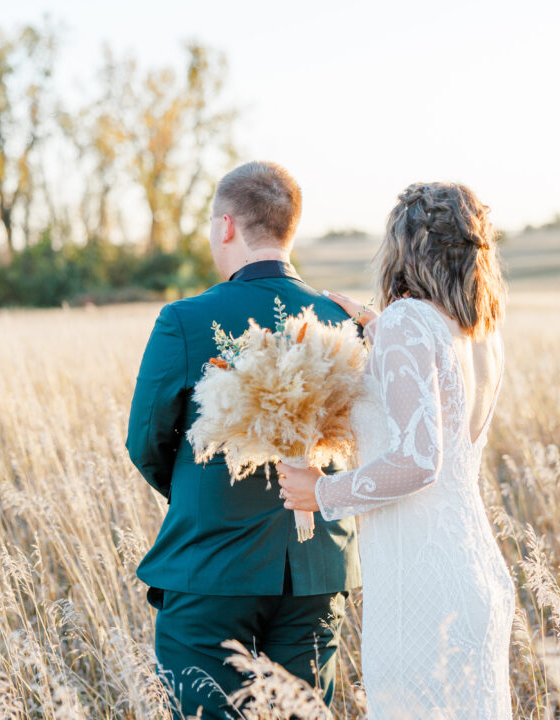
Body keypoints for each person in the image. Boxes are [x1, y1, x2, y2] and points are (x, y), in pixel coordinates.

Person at [125, 161, 361, 719]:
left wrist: (199, 493)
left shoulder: (185, 320)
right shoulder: (343, 320)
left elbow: (146, 440)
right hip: (316, 569)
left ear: (225, 226)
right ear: (289, 230)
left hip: (212, 564)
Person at [278, 182, 514, 718]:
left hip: (423, 587)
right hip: (475, 572)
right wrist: (380, 328)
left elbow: (418, 460)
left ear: (404, 247)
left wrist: (323, 491)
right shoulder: (481, 333)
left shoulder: (409, 322)